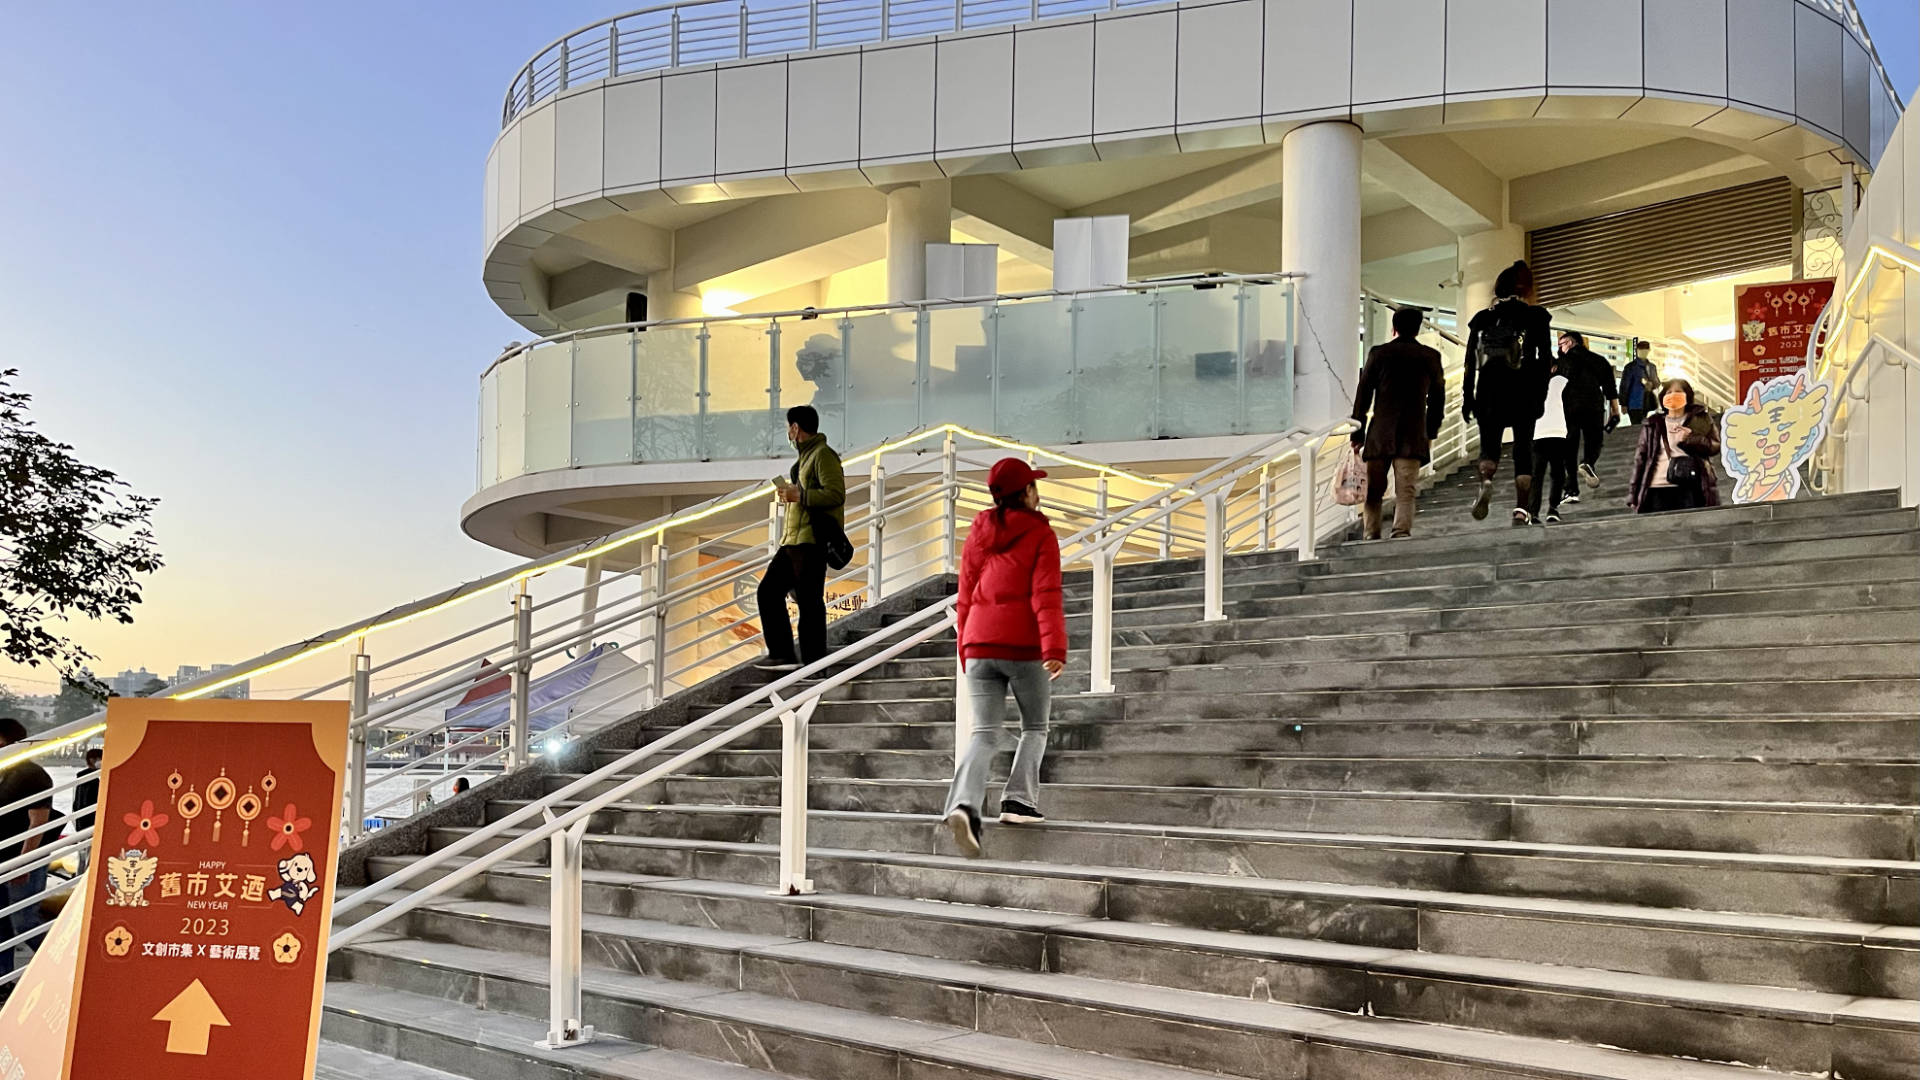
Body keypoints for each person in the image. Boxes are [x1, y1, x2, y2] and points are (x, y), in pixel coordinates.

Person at [942, 458, 1067, 859]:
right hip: (1023, 646)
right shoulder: (1040, 534)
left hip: (979, 643)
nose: (1037, 490)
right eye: (1033, 485)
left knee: (984, 733)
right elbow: (1045, 595)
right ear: (1026, 493)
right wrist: (1055, 648)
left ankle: (964, 804)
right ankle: (1018, 802)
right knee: (1036, 727)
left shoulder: (979, 532)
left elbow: (965, 591)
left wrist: (965, 645)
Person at [1462, 261, 1554, 525]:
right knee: (1523, 448)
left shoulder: (1483, 318)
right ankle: (1521, 509)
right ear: (1528, 289)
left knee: (1489, 447)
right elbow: (1544, 359)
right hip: (1524, 389)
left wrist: (1468, 398)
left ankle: (1487, 479)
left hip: (1489, 390)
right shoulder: (1537, 316)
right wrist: (1540, 394)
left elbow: (1471, 362)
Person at [755, 404, 845, 671]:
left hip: (812, 541)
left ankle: (814, 664)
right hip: (793, 541)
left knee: (809, 603)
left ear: (795, 428)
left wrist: (801, 496)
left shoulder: (823, 455)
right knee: (768, 592)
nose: (788, 432)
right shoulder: (803, 461)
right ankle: (783, 653)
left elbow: (835, 494)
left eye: (789, 427)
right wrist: (792, 496)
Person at [1350, 306, 1446, 539]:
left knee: (1374, 488)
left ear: (1394, 328)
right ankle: (1401, 530)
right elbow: (1437, 398)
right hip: (1413, 432)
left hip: (1381, 431)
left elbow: (1363, 394)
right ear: (1418, 328)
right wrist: (1431, 429)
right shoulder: (1430, 356)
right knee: (1406, 489)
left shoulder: (1379, 354)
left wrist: (1357, 432)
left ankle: (1371, 532)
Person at [0, 718, 53, 980]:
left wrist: (24, 861)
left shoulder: (32, 776)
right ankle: (4, 978)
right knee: (2, 925)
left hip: (22, 858)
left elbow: (38, 822)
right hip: (3, 860)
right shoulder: (4, 772)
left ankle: (64, 966)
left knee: (24, 922)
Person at [1627, 378, 1721, 513]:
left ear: (1687, 395)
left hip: (1690, 485)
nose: (1672, 395)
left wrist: (1692, 439)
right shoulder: (1653, 424)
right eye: (1668, 392)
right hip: (1656, 487)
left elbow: (1715, 446)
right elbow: (1640, 459)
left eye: (1678, 391)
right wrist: (1633, 492)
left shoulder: (1700, 418)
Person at [1555, 330, 1621, 499]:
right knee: (1594, 439)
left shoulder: (1563, 362)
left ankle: (1571, 491)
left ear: (1570, 343)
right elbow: (1609, 387)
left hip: (1569, 407)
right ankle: (1588, 462)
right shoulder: (1598, 360)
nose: (1559, 348)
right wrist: (1615, 409)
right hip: (1594, 405)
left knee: (1569, 447)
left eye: (1561, 344)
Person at [1531, 359, 1574, 523]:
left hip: (1537, 435)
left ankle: (1533, 512)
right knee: (1557, 474)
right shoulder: (1562, 381)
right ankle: (1553, 509)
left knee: (1537, 475)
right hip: (1558, 433)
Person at [72, 747, 102, 871]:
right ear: (93, 760)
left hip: (81, 823)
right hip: (90, 823)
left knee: (83, 857)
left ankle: (80, 878)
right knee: (89, 857)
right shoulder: (94, 780)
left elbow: (75, 803)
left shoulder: (81, 778)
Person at [1619, 341, 1660, 425]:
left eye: (1645, 350)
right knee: (1637, 428)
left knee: (1645, 428)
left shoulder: (1651, 367)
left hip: (1648, 402)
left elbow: (1657, 382)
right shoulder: (1631, 367)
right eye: (1641, 350)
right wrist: (1623, 403)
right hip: (1635, 403)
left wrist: (1652, 384)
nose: (1643, 352)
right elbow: (1624, 386)